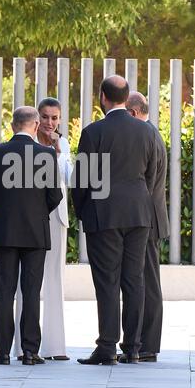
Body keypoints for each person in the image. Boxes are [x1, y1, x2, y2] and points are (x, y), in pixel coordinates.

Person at [72, 75, 157, 365]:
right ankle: (132, 348)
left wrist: (82, 211)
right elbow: (151, 174)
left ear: (103, 97)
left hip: (103, 213)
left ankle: (107, 347)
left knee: (107, 282)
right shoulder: (146, 131)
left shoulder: (93, 132)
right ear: (127, 96)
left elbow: (82, 179)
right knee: (134, 281)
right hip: (139, 213)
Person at [0, 106, 63, 366]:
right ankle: (30, 352)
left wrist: (4, 212)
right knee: (31, 291)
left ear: (13, 125)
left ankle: (2, 353)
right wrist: (37, 213)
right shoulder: (47, 155)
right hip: (35, 232)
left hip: (4, 231)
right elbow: (55, 196)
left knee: (5, 292)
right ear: (36, 126)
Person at [13, 97, 72, 361]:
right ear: (37, 120)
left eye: (55, 117)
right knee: (27, 283)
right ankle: (25, 346)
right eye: (46, 117)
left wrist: (60, 152)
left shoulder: (64, 144)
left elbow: (70, 179)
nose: (50, 122)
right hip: (31, 220)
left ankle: (55, 346)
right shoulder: (28, 145)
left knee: (54, 281)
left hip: (57, 218)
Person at [125, 91, 169, 362]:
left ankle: (148, 345)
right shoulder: (151, 133)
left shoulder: (148, 135)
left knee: (148, 282)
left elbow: (148, 183)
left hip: (148, 220)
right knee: (144, 280)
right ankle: (143, 343)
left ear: (133, 113)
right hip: (150, 218)